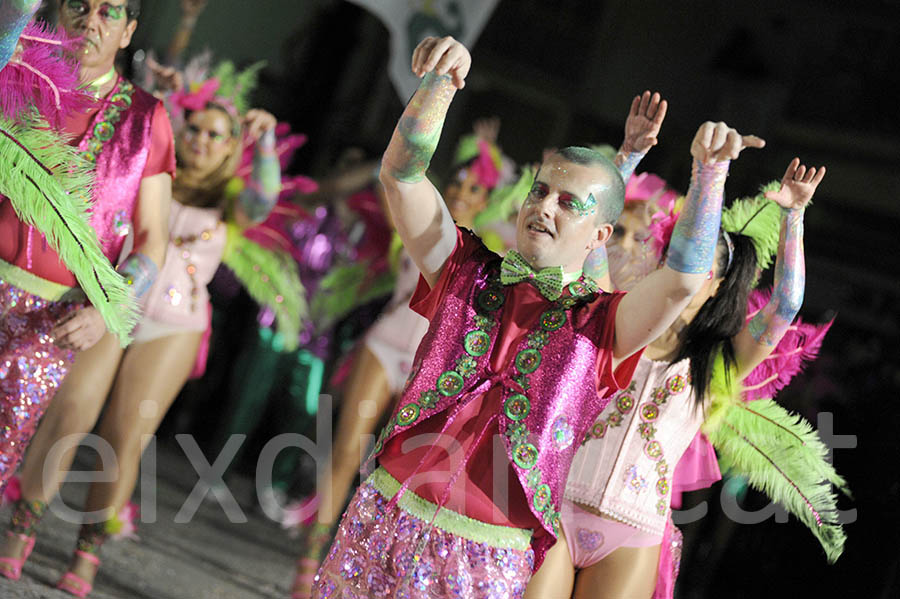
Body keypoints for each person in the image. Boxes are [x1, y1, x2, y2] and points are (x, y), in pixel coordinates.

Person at [307, 36, 764, 598]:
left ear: (600, 235)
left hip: (486, 557)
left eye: (568, 203)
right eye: (540, 191)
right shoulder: (463, 266)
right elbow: (402, 175)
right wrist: (440, 86)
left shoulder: (605, 326)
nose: (544, 206)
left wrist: (709, 175)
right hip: (384, 516)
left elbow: (683, 281)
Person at [1, 59, 296, 597]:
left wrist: (269, 143)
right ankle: (22, 525)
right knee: (72, 412)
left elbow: (265, 198)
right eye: (196, 130)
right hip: (117, 307)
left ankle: (88, 548)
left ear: (231, 148)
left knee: (124, 435)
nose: (203, 141)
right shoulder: (150, 171)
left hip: (174, 328)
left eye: (216, 135)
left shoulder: (232, 200)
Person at [523, 154, 843, 599]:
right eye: (678, 255)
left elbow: (785, 307)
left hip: (632, 534)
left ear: (716, 283)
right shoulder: (616, 318)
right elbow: (590, 246)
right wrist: (628, 158)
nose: (691, 270)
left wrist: (794, 218)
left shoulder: (718, 361)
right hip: (557, 505)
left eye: (704, 267)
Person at [290, 121, 533, 598]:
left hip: (434, 371)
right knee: (345, 453)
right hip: (386, 344)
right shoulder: (428, 227)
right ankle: (307, 563)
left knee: (397, 469)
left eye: (475, 188)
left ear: (490, 199)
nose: (462, 192)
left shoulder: (493, 250)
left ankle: (378, 572)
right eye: (458, 182)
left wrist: (497, 160)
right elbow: (394, 177)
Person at [0, 0, 171, 498]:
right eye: (79, 5)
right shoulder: (14, 74)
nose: (89, 21)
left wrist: (106, 309)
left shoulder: (146, 119)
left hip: (50, 320)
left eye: (108, 12)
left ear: (127, 31)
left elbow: (153, 240)